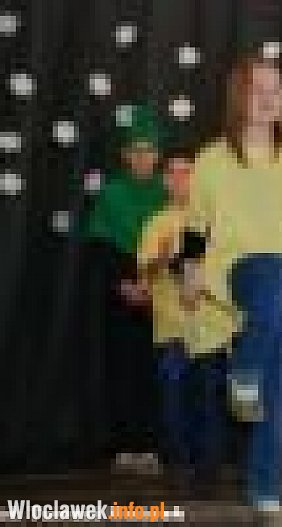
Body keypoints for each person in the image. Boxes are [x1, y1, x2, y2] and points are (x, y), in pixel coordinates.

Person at [182, 55, 282, 519]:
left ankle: (266, 494)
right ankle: (243, 372)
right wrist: (189, 273)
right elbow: (196, 227)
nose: (271, 98)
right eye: (259, 89)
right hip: (237, 271)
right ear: (238, 97)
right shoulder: (212, 158)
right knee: (271, 270)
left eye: (276, 89)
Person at [135, 149, 239, 499]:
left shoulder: (216, 220)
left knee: (210, 400)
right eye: (174, 173)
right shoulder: (156, 222)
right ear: (165, 181)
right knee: (173, 399)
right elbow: (145, 272)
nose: (181, 180)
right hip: (172, 329)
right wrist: (162, 258)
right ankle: (178, 467)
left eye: (187, 172)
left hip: (212, 327)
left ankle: (209, 472)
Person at [84, 103, 167, 475]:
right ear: (125, 155)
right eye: (136, 150)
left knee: (154, 370)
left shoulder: (167, 194)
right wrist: (124, 285)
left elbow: (176, 244)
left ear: (158, 155)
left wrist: (153, 287)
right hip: (121, 295)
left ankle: (151, 445)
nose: (143, 157)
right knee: (121, 368)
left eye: (149, 150)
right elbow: (102, 248)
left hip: (161, 297)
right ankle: (124, 445)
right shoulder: (112, 193)